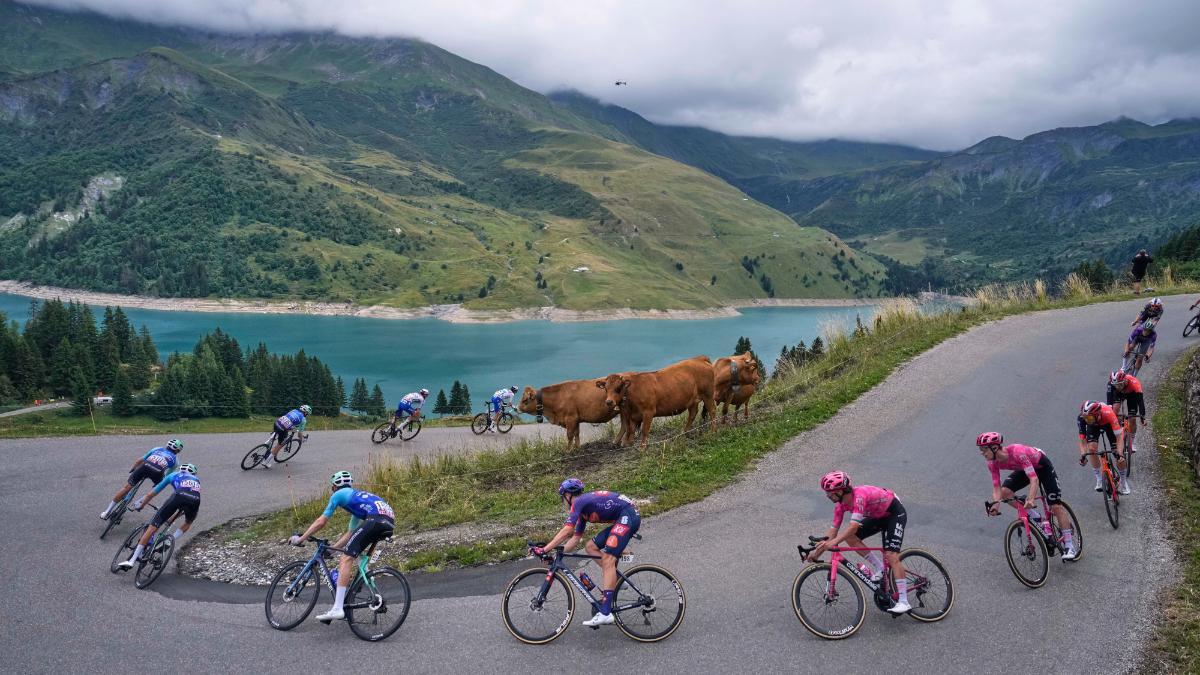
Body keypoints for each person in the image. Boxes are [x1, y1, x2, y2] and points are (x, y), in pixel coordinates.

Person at [532, 479, 641, 627]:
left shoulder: (578, 502)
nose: (562, 501)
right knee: (590, 546)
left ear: (568, 495)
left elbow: (567, 530)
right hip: (624, 516)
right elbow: (575, 539)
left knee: (608, 559)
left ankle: (605, 613)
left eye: (562, 496)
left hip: (628, 516)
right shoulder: (583, 510)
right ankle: (613, 578)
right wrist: (556, 555)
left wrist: (544, 549)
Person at [289, 471, 395, 623]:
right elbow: (351, 533)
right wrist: (331, 550)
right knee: (357, 556)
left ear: (334, 486)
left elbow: (321, 522)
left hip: (375, 519)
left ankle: (338, 608)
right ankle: (374, 595)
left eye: (332, 487)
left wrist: (301, 538)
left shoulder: (339, 494)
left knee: (346, 558)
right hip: (387, 521)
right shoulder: (358, 501)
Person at [806, 472, 911, 614]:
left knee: (891, 555)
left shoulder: (859, 496)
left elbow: (853, 527)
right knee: (851, 537)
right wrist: (816, 553)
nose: (827, 496)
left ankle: (904, 602)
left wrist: (834, 542)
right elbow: (832, 533)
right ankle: (880, 567)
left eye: (830, 492)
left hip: (894, 513)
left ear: (841, 491)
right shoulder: (840, 505)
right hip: (878, 515)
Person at [975, 432, 1077, 561]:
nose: (981, 452)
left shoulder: (1018, 452)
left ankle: (1069, 545)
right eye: (980, 449)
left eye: (984, 449)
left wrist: (1030, 499)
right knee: (1005, 492)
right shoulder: (992, 463)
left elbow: (1034, 479)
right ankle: (1039, 519)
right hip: (1024, 469)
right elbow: (997, 488)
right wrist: (995, 505)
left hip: (1042, 467)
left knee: (1055, 506)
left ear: (994, 447)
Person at [116, 464, 201, 570]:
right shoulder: (197, 480)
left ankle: (132, 560)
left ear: (180, 470)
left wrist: (141, 505)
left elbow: (152, 494)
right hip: (195, 500)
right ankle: (170, 540)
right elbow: (188, 499)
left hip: (178, 497)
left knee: (152, 527)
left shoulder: (173, 475)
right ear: (193, 474)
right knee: (188, 522)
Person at [101, 439, 182, 519]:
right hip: (157, 472)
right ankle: (140, 502)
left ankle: (107, 512)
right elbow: (167, 476)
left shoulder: (157, 449)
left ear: (167, 445)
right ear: (177, 451)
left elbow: (139, 460)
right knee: (158, 486)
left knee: (126, 488)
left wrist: (133, 469)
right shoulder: (176, 461)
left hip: (144, 467)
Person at [1078, 400, 1129, 494]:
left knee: (1118, 455)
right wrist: (1083, 455)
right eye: (1085, 418)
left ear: (1097, 414)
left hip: (1108, 424)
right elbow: (1082, 440)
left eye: (1089, 418)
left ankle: (1123, 482)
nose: (1086, 420)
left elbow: (1119, 436)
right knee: (1092, 449)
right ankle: (1099, 480)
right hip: (1094, 427)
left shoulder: (1108, 413)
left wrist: (1120, 453)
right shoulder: (1083, 418)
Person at [263, 404, 310, 469]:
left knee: (280, 430)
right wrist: (301, 440)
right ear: (305, 413)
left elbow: (288, 419)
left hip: (277, 422)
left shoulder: (294, 410)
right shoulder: (303, 420)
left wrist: (292, 428)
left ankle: (268, 442)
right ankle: (266, 462)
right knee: (280, 444)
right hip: (282, 428)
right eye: (307, 414)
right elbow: (299, 434)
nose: (307, 415)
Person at [1106, 369, 1146, 444]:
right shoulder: (1111, 384)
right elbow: (1109, 402)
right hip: (1118, 394)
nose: (1118, 387)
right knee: (1114, 411)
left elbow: (1140, 401)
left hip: (1132, 394)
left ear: (1125, 381)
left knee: (1132, 419)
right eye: (1115, 385)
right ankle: (1119, 429)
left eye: (1120, 384)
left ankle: (1132, 442)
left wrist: (1142, 416)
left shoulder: (1134, 382)